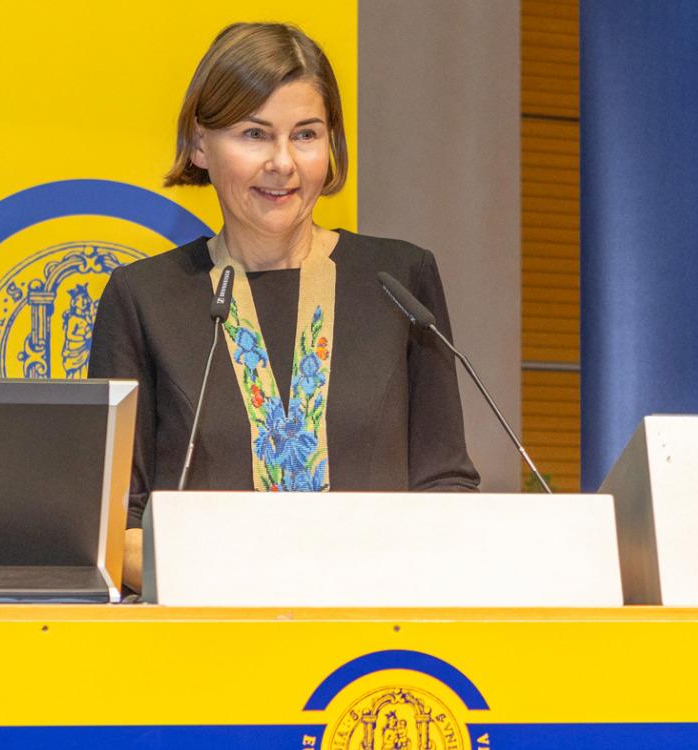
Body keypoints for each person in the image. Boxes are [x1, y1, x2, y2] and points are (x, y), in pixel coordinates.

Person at [88, 22, 480, 593]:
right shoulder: (142, 298)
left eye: (305, 134)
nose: (283, 163)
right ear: (200, 145)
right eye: (253, 134)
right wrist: (259, 577)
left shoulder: (400, 281)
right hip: (206, 646)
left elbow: (446, 489)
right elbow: (113, 528)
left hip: (374, 641)